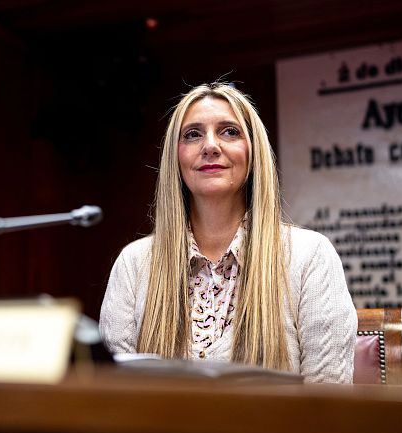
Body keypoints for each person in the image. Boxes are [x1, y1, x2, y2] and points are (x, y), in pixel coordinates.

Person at [99, 82, 357, 383]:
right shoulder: (134, 264)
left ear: (253, 151)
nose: (210, 146)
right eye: (192, 134)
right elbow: (113, 395)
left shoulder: (310, 255)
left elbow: (326, 399)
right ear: (175, 157)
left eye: (229, 131)